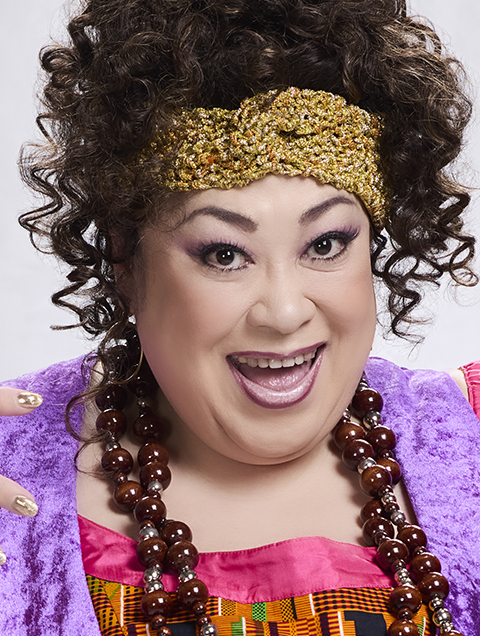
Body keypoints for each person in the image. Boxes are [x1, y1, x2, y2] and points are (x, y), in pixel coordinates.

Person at [0, 1, 479, 635]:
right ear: (125, 261)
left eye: (326, 244)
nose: (284, 312)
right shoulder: (10, 471)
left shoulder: (467, 434)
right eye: (224, 254)